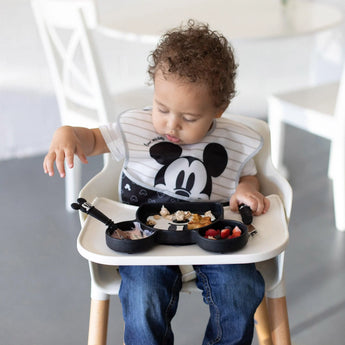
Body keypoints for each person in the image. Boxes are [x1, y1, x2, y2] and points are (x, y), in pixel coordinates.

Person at [44, 19, 270, 345]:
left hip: (211, 238)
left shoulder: (233, 141)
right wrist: (67, 134)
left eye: (189, 118)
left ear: (218, 109)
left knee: (242, 289)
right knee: (142, 295)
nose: (171, 125)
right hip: (145, 239)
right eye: (161, 108)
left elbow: (246, 174)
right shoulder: (138, 129)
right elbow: (91, 140)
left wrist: (247, 189)